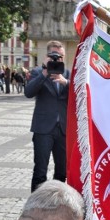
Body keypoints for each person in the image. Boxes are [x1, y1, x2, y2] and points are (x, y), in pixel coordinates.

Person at [25, 40, 70, 192]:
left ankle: (57, 206)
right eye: (55, 56)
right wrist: (45, 72)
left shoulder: (68, 73)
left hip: (63, 129)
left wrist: (66, 83)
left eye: (61, 56)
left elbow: (79, 96)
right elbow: (28, 92)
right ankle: (35, 208)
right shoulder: (38, 72)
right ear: (47, 55)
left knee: (62, 171)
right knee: (40, 171)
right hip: (43, 128)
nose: (58, 60)